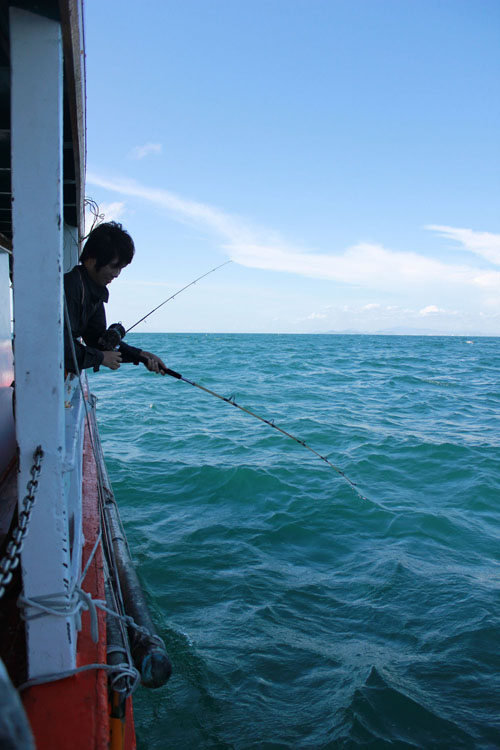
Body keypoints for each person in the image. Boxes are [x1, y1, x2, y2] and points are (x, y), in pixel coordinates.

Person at [64, 221, 167, 375]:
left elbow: (98, 340)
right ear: (92, 259)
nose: (117, 274)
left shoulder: (94, 290)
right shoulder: (71, 287)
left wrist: (141, 355)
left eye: (121, 268)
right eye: (114, 266)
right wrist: (100, 358)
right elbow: (58, 346)